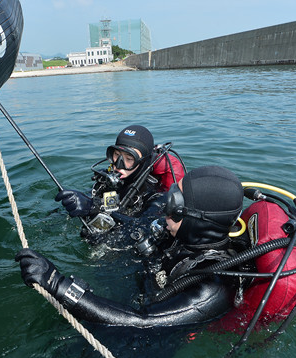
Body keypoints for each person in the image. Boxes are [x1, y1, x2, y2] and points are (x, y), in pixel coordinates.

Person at [16, 166, 246, 328]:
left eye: (176, 202)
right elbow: (136, 226)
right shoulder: (181, 235)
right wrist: (93, 209)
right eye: (172, 193)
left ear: (198, 218)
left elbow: (141, 322)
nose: (166, 205)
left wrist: (59, 285)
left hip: (144, 344)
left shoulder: (212, 288)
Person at [55, 125, 186, 237]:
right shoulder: (109, 179)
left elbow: (145, 228)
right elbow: (99, 200)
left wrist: (93, 207)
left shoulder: (155, 194)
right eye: (117, 155)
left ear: (144, 162)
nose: (119, 164)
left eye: (129, 158)